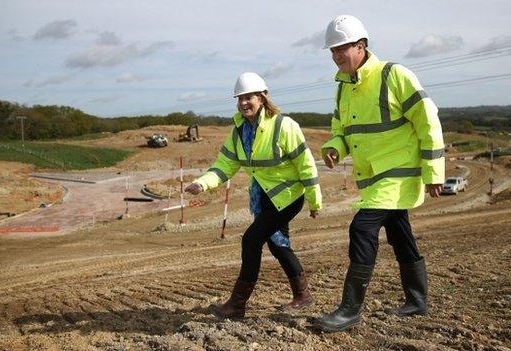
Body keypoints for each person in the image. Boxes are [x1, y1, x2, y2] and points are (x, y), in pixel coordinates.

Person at [317, 15, 445, 332]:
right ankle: (417, 301)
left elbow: (428, 121)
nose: (336, 55)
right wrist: (334, 147)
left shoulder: (394, 75)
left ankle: (350, 310)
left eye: (342, 48)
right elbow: (341, 130)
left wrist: (434, 171)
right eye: (332, 50)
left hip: (398, 174)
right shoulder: (343, 88)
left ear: (361, 46)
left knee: (362, 229)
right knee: (400, 234)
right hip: (373, 179)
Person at [185, 72, 322, 319]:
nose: (243, 103)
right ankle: (303, 295)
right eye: (240, 98)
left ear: (262, 97)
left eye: (249, 97)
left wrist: (314, 200)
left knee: (251, 240)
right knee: (278, 244)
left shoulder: (284, 125)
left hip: (288, 196)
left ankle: (237, 304)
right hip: (263, 198)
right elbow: (224, 165)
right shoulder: (238, 131)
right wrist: (202, 184)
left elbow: (306, 164)